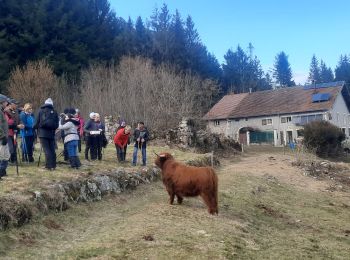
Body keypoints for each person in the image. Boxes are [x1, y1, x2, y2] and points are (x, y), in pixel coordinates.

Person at [34, 98, 59, 170]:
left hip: (42, 133)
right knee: (52, 149)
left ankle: (48, 166)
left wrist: (34, 128)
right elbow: (57, 124)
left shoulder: (41, 111)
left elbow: (36, 122)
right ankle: (53, 165)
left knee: (46, 149)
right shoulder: (54, 111)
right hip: (51, 133)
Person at [4, 99, 20, 163]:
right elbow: (8, 122)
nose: (16, 105)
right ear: (11, 104)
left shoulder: (16, 111)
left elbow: (19, 119)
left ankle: (14, 160)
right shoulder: (6, 111)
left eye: (17, 104)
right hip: (8, 132)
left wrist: (21, 124)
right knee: (10, 148)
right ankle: (8, 160)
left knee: (15, 146)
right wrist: (17, 125)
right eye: (15, 104)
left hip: (15, 132)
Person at [0, 94, 9, 179]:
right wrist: (3, 136)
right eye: (6, 101)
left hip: (3, 136)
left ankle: (2, 173)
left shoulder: (2, 111)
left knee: (4, 155)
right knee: (4, 156)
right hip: (2, 137)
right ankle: (1, 173)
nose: (7, 103)